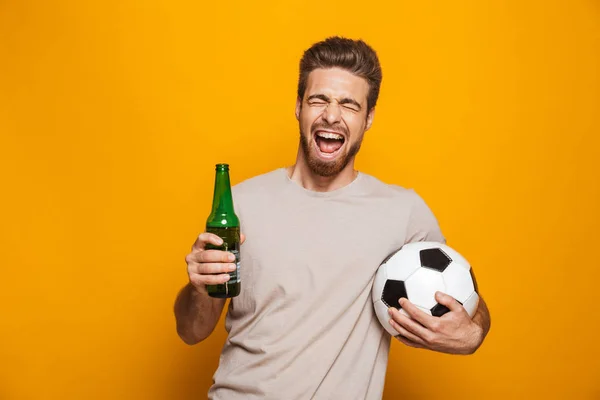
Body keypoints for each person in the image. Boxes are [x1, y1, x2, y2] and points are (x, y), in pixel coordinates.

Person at [174, 36, 491, 399]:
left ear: (368, 118)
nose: (331, 115)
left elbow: (469, 300)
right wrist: (198, 287)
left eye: (349, 104)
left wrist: (472, 334)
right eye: (318, 100)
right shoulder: (240, 204)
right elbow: (191, 330)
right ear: (298, 107)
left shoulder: (401, 212)